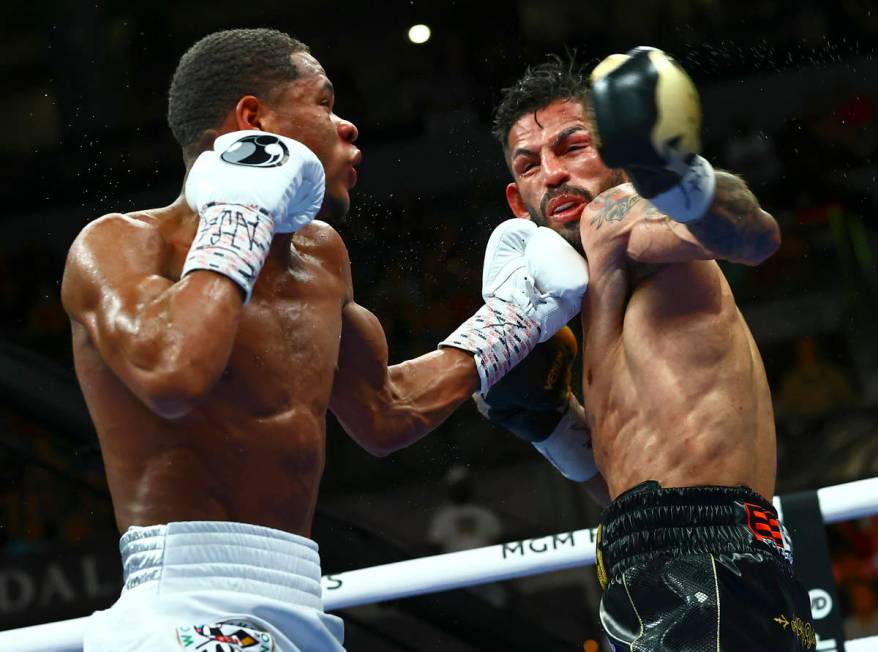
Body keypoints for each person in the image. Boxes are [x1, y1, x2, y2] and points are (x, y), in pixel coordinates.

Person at [60, 28, 588, 651]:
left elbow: (384, 412)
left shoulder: (322, 257)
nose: (348, 127)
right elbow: (173, 373)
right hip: (182, 605)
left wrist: (514, 318)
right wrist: (239, 214)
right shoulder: (119, 245)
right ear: (252, 119)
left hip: (299, 603)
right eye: (323, 103)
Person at [482, 48, 815, 650]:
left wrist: (675, 174)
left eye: (572, 146)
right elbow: (632, 485)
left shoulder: (621, 214)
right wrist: (551, 424)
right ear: (516, 200)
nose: (552, 174)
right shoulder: (581, 285)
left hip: (709, 560)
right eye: (529, 164)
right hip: (644, 558)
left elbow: (753, 235)